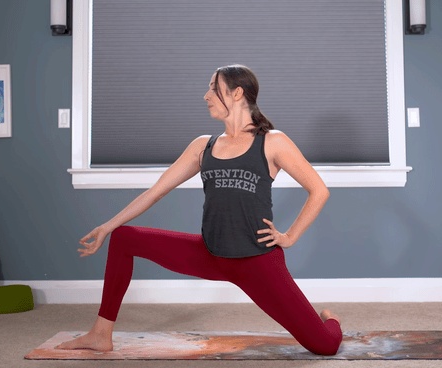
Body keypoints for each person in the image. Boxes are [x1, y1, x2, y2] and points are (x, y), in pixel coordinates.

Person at [56, 64, 342, 355]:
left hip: (257, 263)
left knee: (326, 345)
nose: (205, 96)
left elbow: (319, 191)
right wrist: (107, 226)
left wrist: (290, 237)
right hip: (210, 254)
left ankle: (329, 320)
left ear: (237, 92)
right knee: (123, 237)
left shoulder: (272, 142)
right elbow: (156, 192)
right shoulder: (202, 147)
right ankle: (100, 334)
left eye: (212, 88)